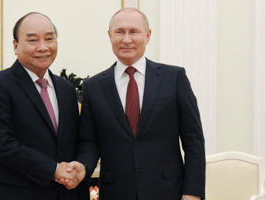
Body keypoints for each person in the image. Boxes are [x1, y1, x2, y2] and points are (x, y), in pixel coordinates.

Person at [74, 8, 206, 200]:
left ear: (148, 35)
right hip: (116, 192)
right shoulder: (93, 87)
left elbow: (193, 140)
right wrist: (82, 166)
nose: (126, 39)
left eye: (134, 31)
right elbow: (89, 143)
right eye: (119, 32)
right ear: (110, 36)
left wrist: (192, 193)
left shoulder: (174, 78)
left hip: (169, 191)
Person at [0, 12, 87, 200]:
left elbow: (73, 142)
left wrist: (79, 166)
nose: (43, 47)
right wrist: (54, 169)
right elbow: (1, 144)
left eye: (49, 38)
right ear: (15, 45)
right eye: (32, 40)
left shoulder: (67, 90)